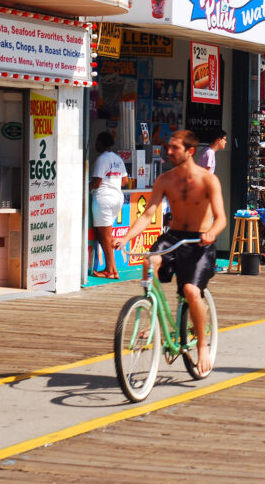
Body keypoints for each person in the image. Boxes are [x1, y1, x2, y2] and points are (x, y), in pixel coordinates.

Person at [113, 130, 225, 375]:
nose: (169, 152)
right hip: (173, 237)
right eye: (169, 147)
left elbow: (221, 219)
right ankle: (152, 315)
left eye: (175, 148)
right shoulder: (164, 180)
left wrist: (212, 233)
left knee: (191, 291)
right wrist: (125, 238)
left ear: (190, 151)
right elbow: (147, 215)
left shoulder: (208, 180)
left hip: (199, 242)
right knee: (148, 262)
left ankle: (203, 346)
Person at [90, 131, 129, 279]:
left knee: (105, 236)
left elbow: (97, 182)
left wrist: (84, 187)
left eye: (97, 142)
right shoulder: (118, 159)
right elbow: (125, 181)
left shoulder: (102, 159)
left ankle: (111, 271)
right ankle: (111, 269)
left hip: (104, 198)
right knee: (106, 235)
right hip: (117, 198)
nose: (95, 145)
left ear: (101, 142)